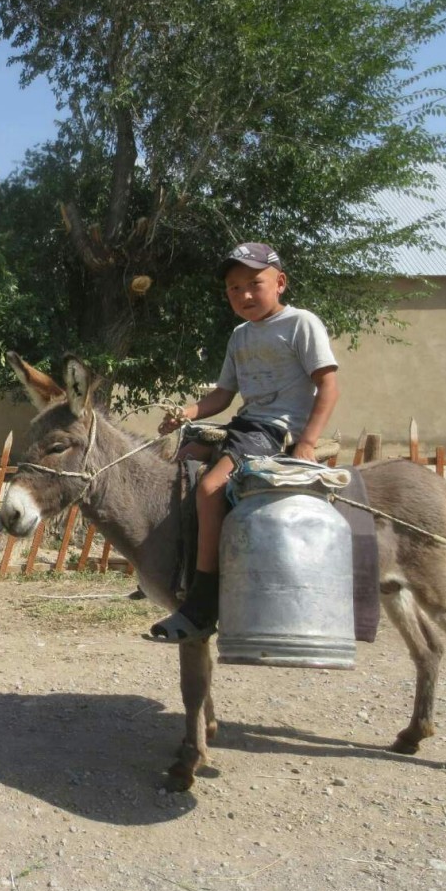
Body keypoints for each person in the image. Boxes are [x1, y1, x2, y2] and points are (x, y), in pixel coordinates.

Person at [148, 242, 339, 643]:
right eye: (235, 288)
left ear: (280, 282)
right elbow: (222, 395)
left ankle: (202, 605)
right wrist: (187, 413)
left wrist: (308, 441)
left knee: (211, 486)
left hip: (275, 430)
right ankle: (175, 566)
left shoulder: (301, 323)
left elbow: (328, 385)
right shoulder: (239, 335)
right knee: (180, 461)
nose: (245, 295)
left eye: (255, 284)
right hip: (244, 424)